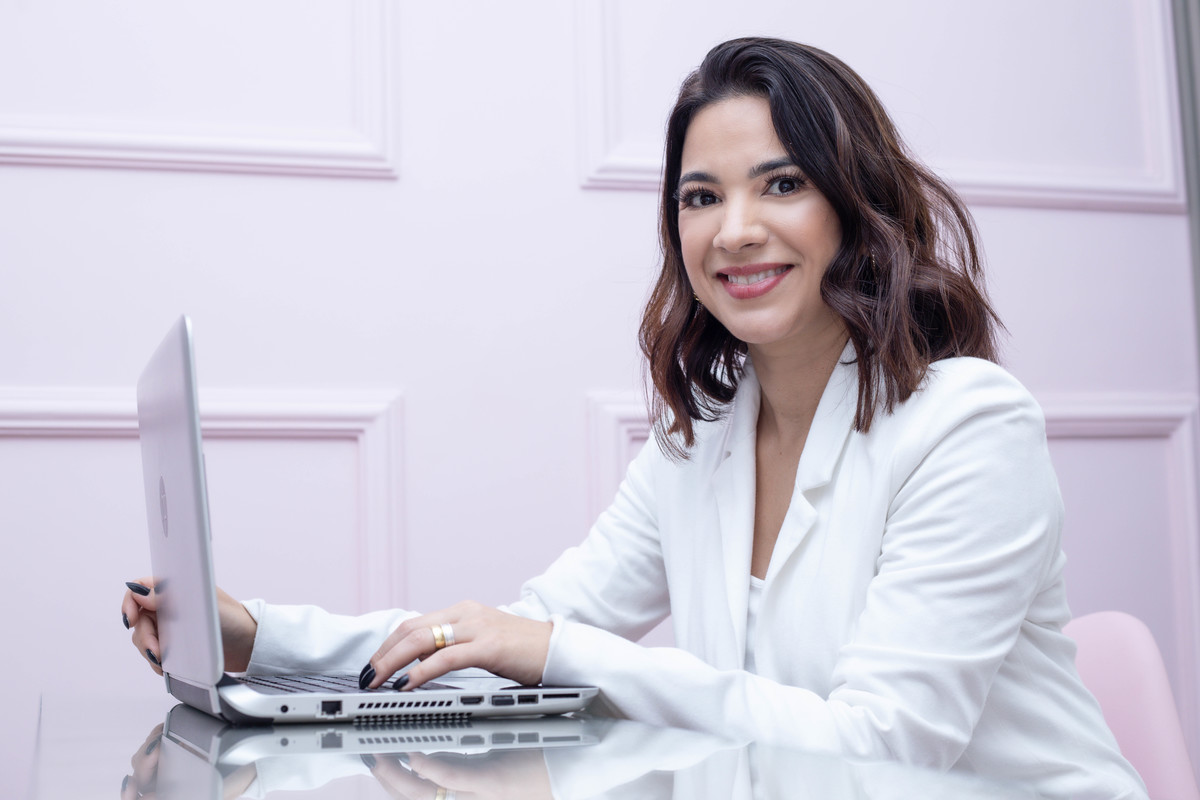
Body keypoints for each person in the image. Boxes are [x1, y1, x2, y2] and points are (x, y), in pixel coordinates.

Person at [124, 38, 1148, 799]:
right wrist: (260, 635)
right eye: (700, 197)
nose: (734, 228)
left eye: (782, 184)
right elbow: (509, 632)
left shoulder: (970, 426)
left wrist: (566, 649)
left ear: (855, 202)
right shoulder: (697, 442)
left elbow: (883, 743)